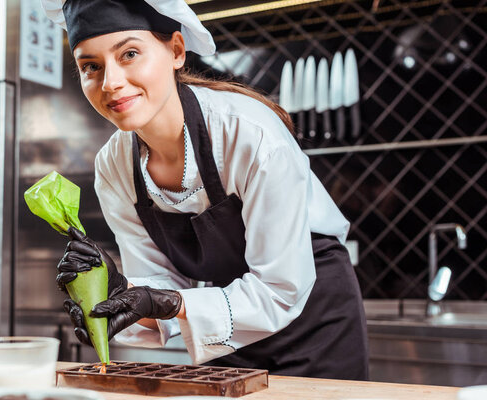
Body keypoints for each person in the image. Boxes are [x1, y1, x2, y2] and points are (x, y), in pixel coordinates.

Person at [44, 0, 369, 379]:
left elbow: (282, 289)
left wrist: (166, 302)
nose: (110, 82)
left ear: (177, 51)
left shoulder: (251, 134)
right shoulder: (113, 166)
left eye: (129, 53)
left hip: (315, 317)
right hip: (229, 329)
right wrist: (116, 296)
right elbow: (160, 286)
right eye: (91, 66)